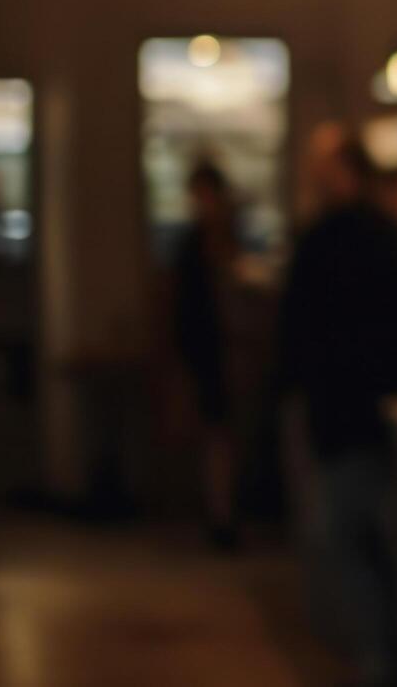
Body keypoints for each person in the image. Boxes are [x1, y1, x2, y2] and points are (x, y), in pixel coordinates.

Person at [279, 129, 397, 687]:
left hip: (339, 407)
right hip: (374, 406)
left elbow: (297, 329)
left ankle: (373, 657)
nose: (316, 175)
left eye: (323, 166)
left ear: (347, 170)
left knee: (348, 533)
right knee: (365, 531)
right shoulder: (388, 236)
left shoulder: (325, 239)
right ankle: (377, 651)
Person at [171, 159, 241, 549]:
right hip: (204, 348)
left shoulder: (219, 238)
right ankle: (219, 514)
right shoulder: (197, 241)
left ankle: (223, 515)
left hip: (220, 348)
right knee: (213, 435)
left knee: (220, 436)